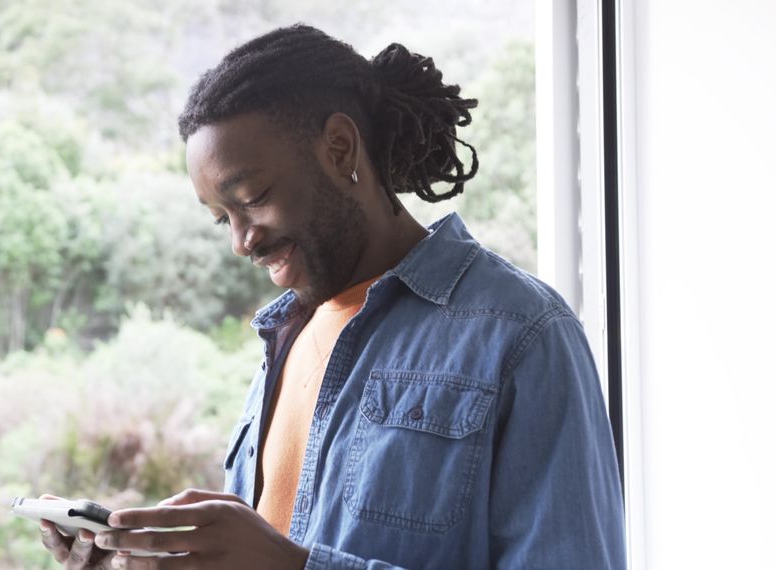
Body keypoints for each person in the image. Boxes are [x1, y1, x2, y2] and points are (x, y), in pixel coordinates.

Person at [40, 23, 626, 570]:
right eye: (223, 220)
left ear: (340, 148)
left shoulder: (522, 335)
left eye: (254, 196)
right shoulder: (285, 338)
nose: (243, 242)